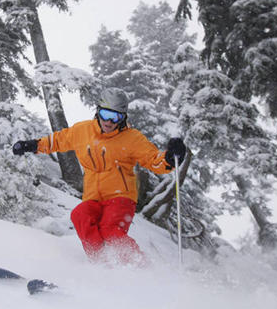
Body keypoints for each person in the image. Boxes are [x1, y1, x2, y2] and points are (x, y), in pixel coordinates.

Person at [12, 88, 186, 265]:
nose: (109, 121)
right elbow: (56, 141)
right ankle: (101, 263)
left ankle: (140, 266)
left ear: (123, 118)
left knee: (110, 230)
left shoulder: (132, 139)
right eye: (105, 114)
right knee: (80, 215)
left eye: (116, 117)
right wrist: (32, 145)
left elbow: (153, 160)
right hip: (93, 196)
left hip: (121, 196)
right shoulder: (82, 131)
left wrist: (170, 158)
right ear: (97, 111)